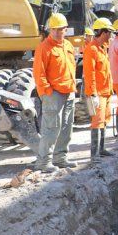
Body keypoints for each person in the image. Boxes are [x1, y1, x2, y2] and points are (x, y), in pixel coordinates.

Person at [32, 13, 77, 173]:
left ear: (66, 29)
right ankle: (43, 162)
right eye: (55, 30)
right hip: (54, 93)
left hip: (68, 91)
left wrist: (72, 88)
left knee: (66, 127)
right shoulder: (44, 47)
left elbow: (71, 67)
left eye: (61, 29)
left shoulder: (68, 46)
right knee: (51, 128)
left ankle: (60, 158)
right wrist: (48, 92)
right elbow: (39, 73)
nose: (58, 32)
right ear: (50, 30)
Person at [84, 18, 115, 163]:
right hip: (98, 93)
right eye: (109, 32)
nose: (110, 36)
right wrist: (93, 94)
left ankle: (101, 149)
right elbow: (90, 74)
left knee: (104, 120)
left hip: (106, 91)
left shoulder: (103, 48)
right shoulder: (92, 49)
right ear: (102, 32)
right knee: (97, 122)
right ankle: (94, 154)